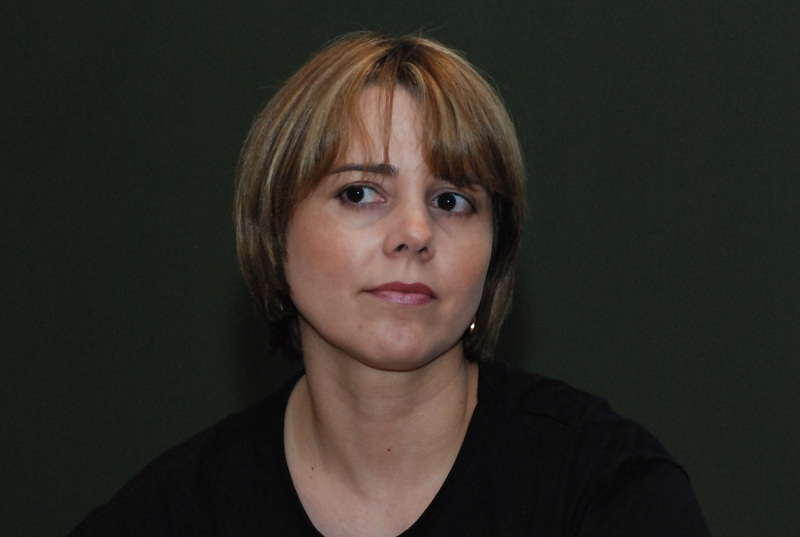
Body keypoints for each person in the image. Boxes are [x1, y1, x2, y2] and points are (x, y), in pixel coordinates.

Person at [69, 32, 710, 536]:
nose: (414, 233)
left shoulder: (608, 490)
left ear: (494, 253)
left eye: (452, 201)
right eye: (360, 193)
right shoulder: (168, 514)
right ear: (274, 230)